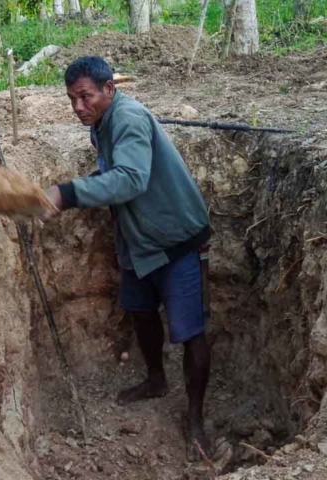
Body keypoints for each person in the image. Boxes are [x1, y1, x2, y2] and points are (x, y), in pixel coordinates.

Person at [44, 56, 212, 461]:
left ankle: (195, 419)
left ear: (109, 89)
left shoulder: (129, 118)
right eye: (72, 99)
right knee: (139, 309)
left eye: (85, 97)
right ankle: (156, 379)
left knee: (190, 330)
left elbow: (131, 178)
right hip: (139, 238)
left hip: (175, 237)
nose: (78, 107)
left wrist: (65, 194)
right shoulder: (102, 123)